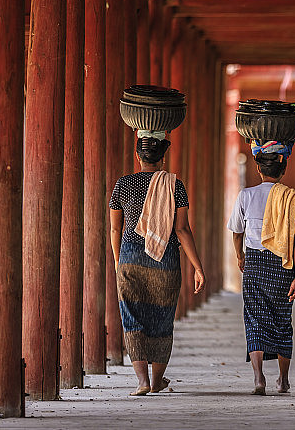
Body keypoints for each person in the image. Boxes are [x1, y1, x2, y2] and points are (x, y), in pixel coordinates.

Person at [110, 132, 206, 396]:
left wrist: (120, 262)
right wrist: (197, 267)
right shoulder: (175, 186)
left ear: (137, 156)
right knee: (162, 318)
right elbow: (183, 230)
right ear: (163, 159)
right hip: (165, 256)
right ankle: (156, 381)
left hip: (130, 256)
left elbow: (115, 229)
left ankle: (141, 381)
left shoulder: (123, 184)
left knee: (132, 316)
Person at [228, 141, 295, 395]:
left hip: (254, 263)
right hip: (282, 264)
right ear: (283, 168)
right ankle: (283, 380)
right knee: (283, 320)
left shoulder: (246, 195)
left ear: (258, 169)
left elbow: (237, 232)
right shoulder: (293, 198)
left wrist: (240, 257)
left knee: (254, 319)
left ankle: (259, 377)